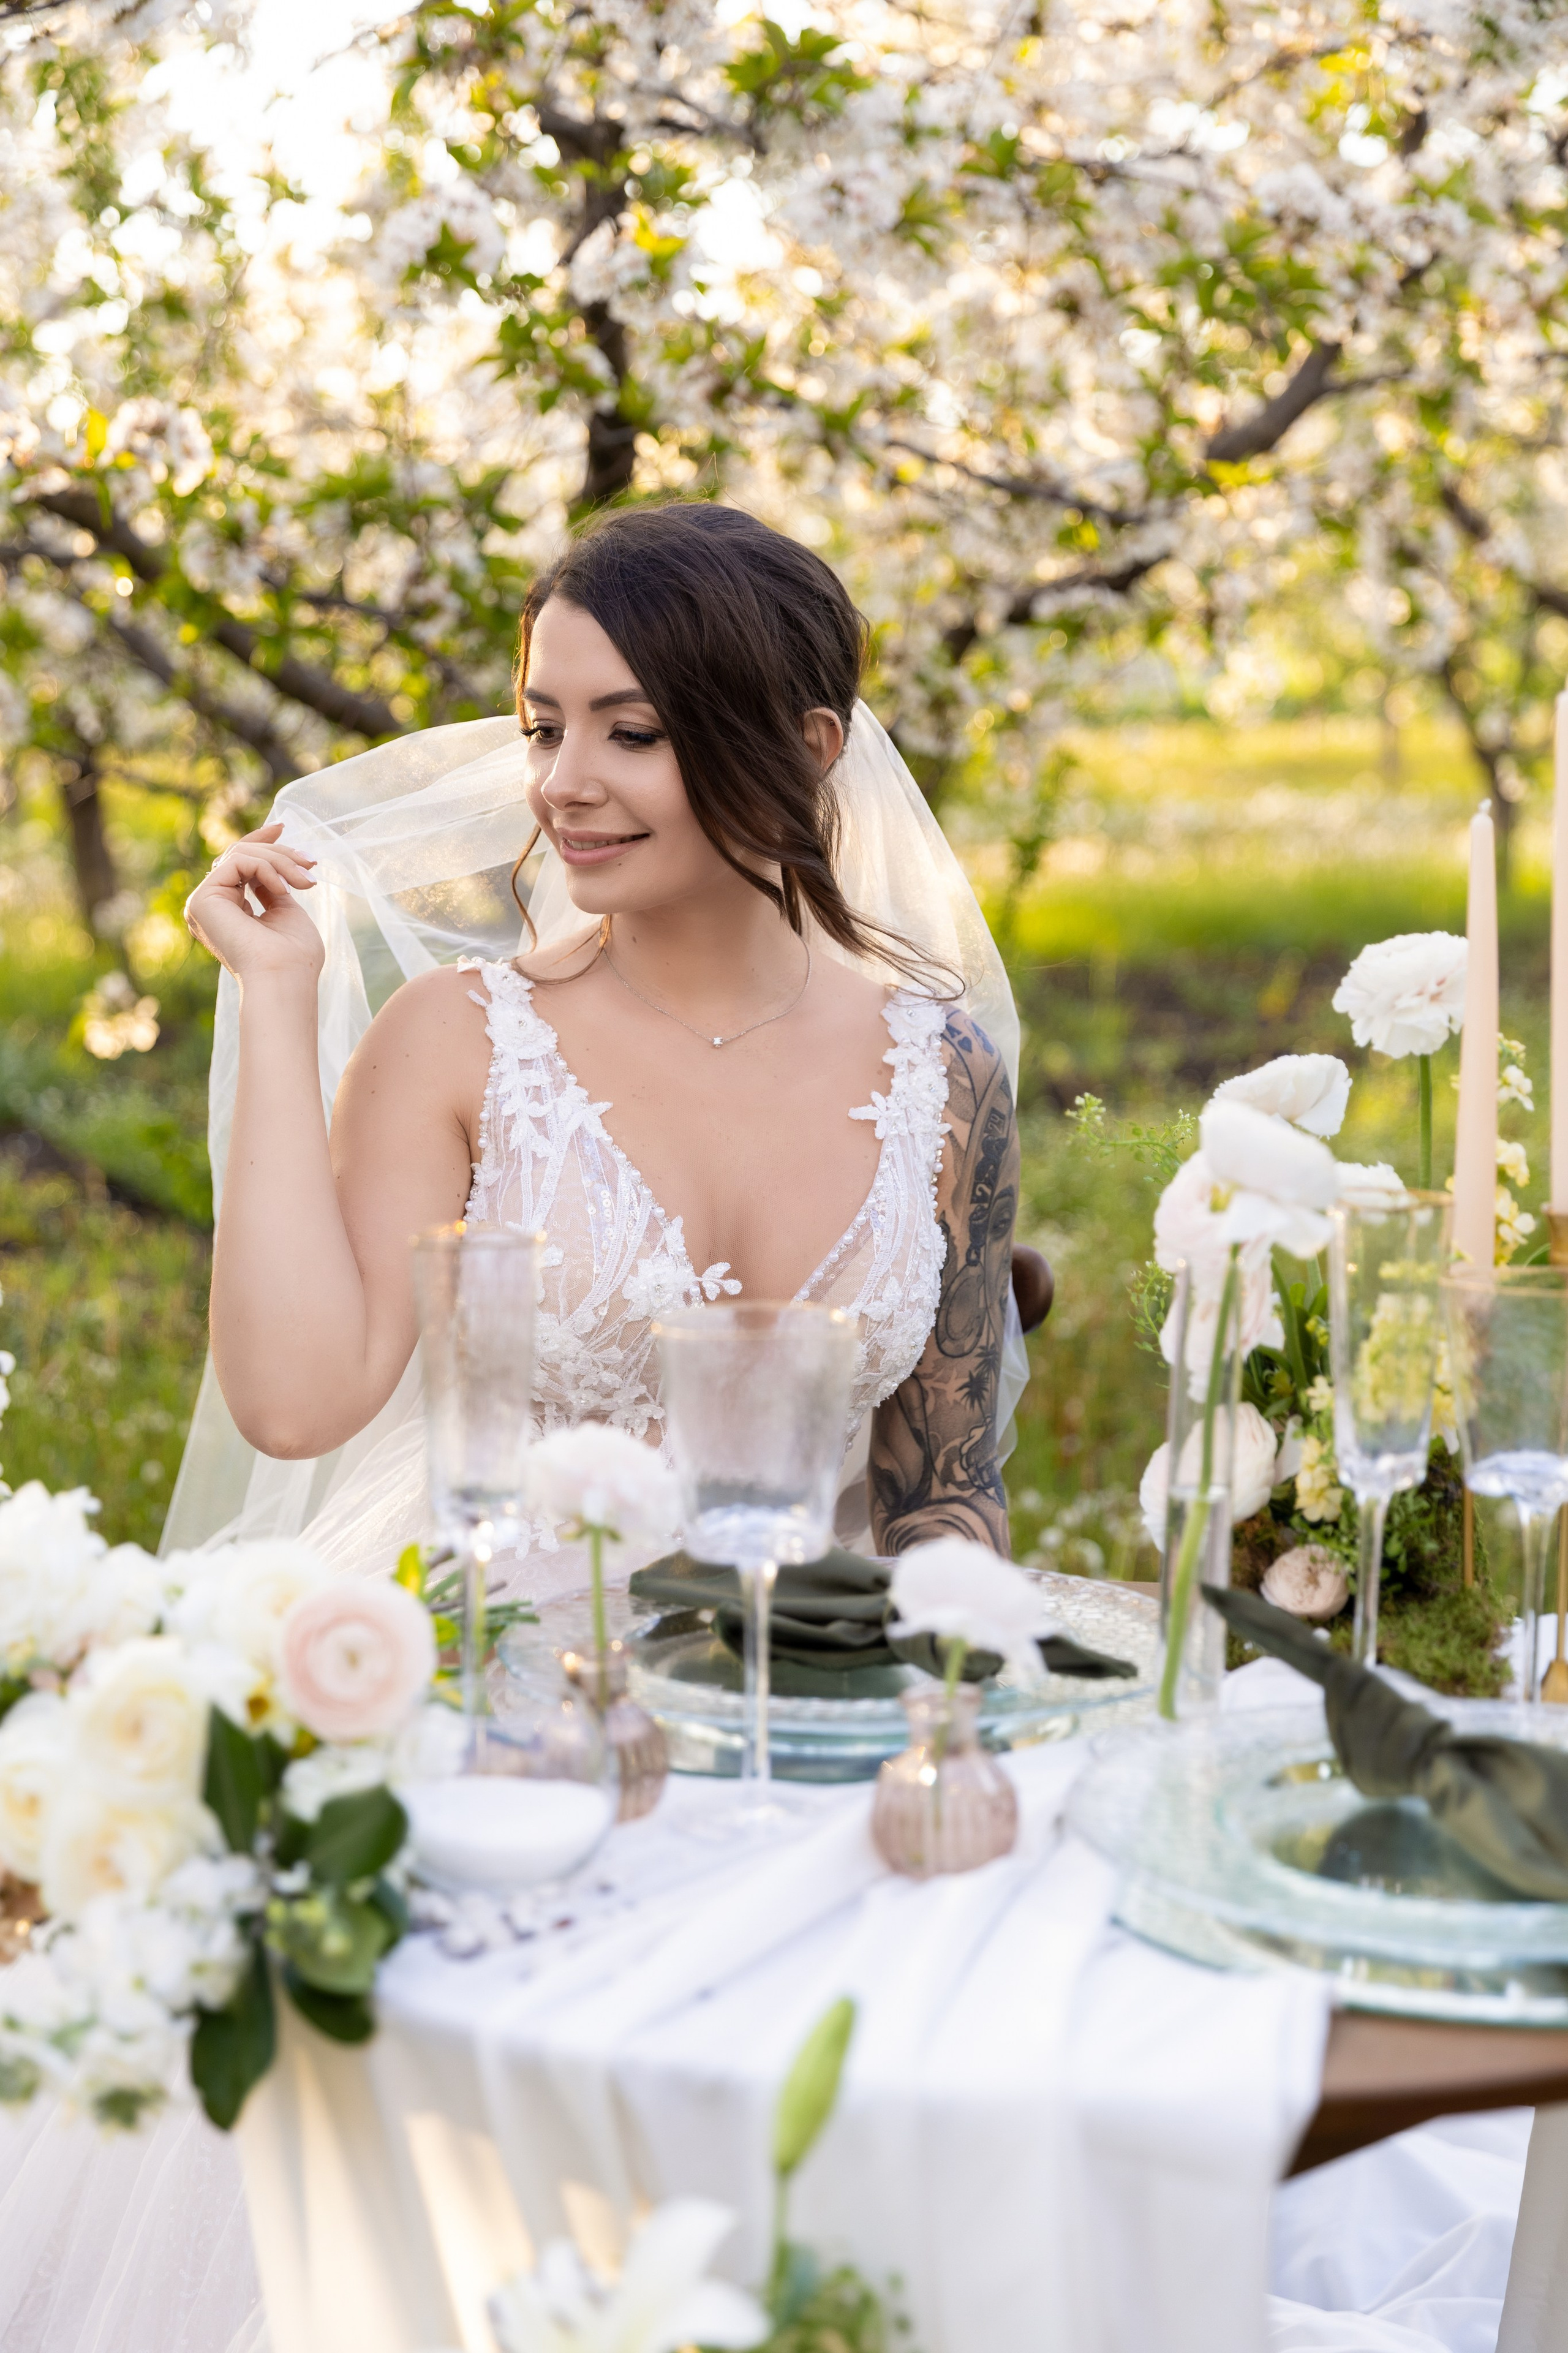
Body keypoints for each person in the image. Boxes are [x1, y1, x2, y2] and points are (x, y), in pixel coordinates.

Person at [177, 501, 1025, 1588]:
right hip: (505, 1663)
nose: (563, 782)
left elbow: (942, 1488)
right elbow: (296, 1405)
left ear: (809, 749)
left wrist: (934, 1677)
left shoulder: (945, 1072)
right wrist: (277, 992)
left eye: (633, 733)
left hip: (803, 1672)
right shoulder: (460, 1041)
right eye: (543, 726)